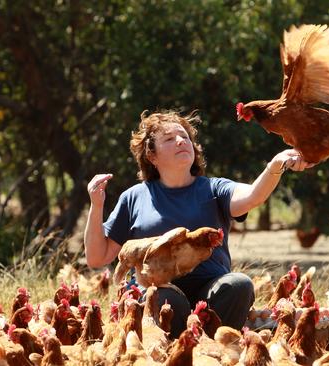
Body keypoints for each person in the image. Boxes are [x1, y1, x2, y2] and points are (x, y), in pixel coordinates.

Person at [84, 110, 313, 338]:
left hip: (211, 290)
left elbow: (253, 196)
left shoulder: (214, 189)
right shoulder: (134, 197)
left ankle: (214, 352)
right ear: (151, 156)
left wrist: (274, 167)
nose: (181, 141)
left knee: (239, 284)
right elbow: (97, 257)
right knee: (164, 299)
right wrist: (96, 205)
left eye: (184, 136)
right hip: (157, 290)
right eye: (169, 139)